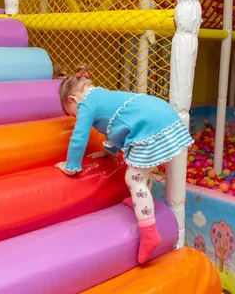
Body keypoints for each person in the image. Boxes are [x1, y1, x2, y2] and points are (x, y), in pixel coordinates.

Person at [54, 64, 193, 264]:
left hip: (149, 124)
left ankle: (149, 234)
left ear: (73, 100)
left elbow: (79, 136)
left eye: (73, 114)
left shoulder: (86, 104)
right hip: (160, 115)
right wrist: (108, 151)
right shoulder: (101, 95)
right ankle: (143, 202)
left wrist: (71, 166)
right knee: (142, 168)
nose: (77, 116)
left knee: (133, 177)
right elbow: (118, 126)